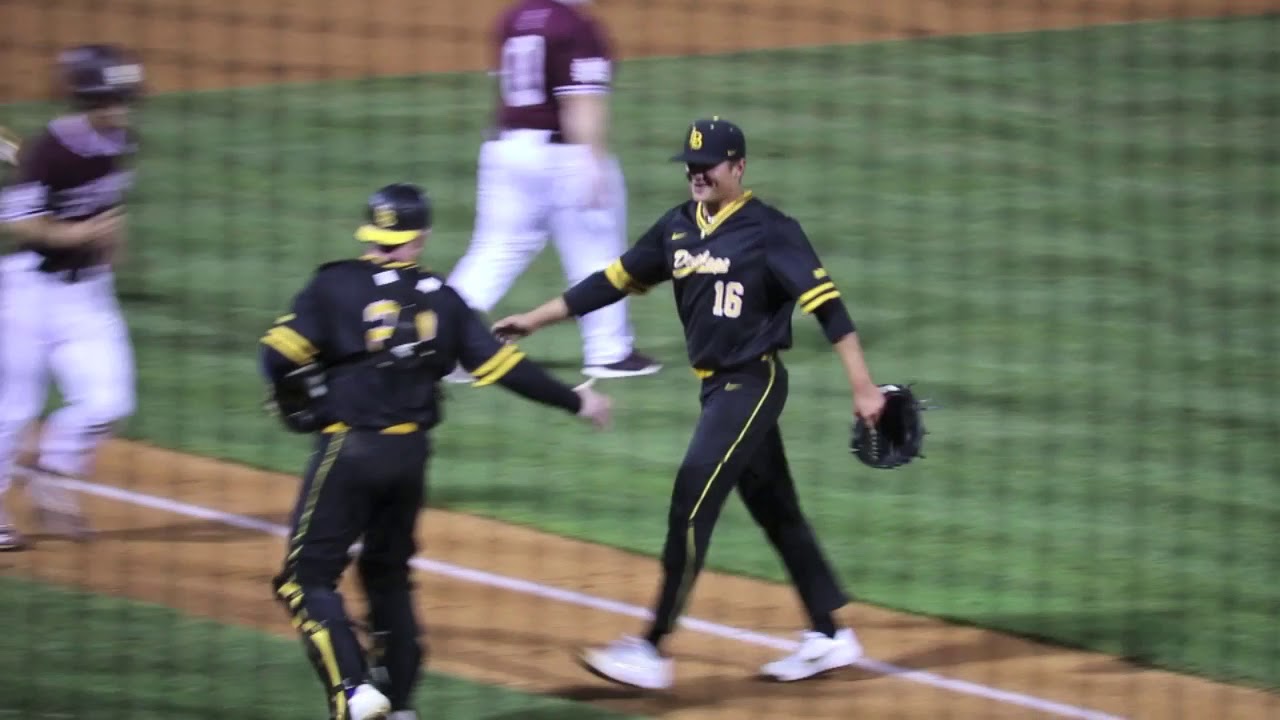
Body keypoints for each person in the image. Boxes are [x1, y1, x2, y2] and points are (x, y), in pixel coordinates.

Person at [492, 117, 888, 689]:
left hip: (753, 384)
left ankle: (652, 648)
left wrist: (863, 387)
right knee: (776, 510)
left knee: (691, 503)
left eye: (708, 165)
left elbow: (829, 310)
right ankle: (830, 634)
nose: (696, 174)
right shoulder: (678, 227)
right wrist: (535, 319)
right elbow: (612, 280)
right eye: (690, 165)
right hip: (715, 389)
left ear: (739, 167)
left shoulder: (771, 229)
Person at [259, 183, 612, 720]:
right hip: (410, 460)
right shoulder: (443, 298)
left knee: (304, 580)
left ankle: (352, 691)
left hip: (350, 452)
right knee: (387, 573)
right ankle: (399, 705)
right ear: (419, 238)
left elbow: (278, 355)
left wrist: (297, 408)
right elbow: (504, 368)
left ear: (372, 232)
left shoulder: (336, 284)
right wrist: (576, 400)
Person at [443, 0, 661, 382]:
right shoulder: (575, 24)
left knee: (494, 251)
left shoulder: (513, 18)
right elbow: (580, 101)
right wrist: (593, 161)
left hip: (505, 149)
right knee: (597, 250)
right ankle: (609, 352)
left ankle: (440, 345)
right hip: (561, 154)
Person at [0, 44, 141, 552]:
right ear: (88, 97)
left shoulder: (121, 141)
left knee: (110, 401)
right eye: (115, 96)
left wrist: (109, 245)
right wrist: (78, 235)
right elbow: (16, 221)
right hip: (30, 294)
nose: (123, 106)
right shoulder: (47, 152)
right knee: (14, 409)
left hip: (89, 297)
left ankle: (52, 471)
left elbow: (111, 207)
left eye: (127, 96)